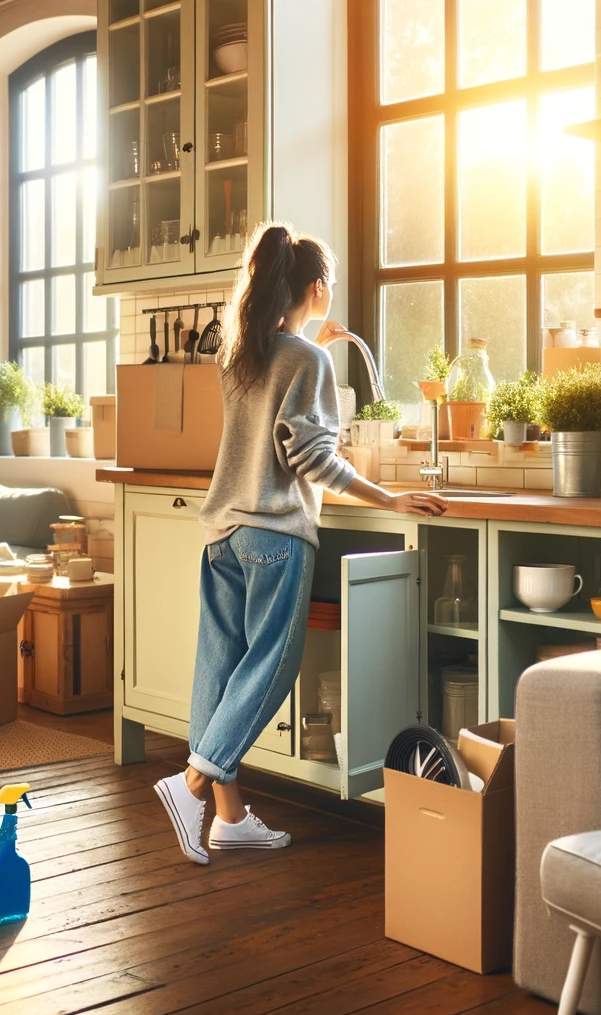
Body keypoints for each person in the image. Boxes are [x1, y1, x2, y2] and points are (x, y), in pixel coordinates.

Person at [153, 223, 448, 865]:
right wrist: (390, 499)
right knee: (271, 667)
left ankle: (227, 817)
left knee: (223, 668)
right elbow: (313, 459)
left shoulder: (244, 356)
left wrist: (315, 340)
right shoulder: (307, 361)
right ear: (317, 288)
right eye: (331, 287)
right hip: (275, 538)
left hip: (224, 534)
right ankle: (192, 786)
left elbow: (275, 415)